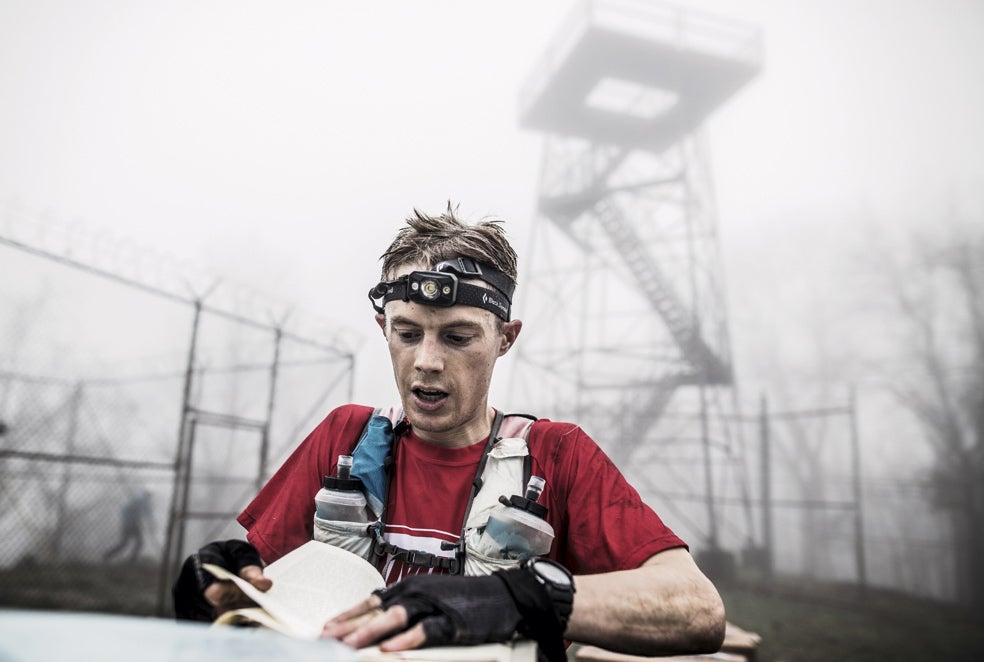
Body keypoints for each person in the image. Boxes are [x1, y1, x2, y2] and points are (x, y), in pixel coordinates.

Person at [173, 205, 726, 659]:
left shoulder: (556, 456)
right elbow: (262, 590)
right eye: (407, 333)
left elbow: (696, 609)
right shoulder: (344, 438)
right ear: (382, 328)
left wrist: (514, 599)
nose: (428, 362)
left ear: (505, 338)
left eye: (459, 338)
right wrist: (213, 587)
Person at [104, 490, 153, 563]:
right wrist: (151, 523)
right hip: (131, 525)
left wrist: (150, 523)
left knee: (127, 543)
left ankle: (108, 556)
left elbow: (147, 513)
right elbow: (147, 513)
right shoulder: (141, 501)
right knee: (137, 543)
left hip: (130, 524)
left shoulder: (138, 500)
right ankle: (130, 560)